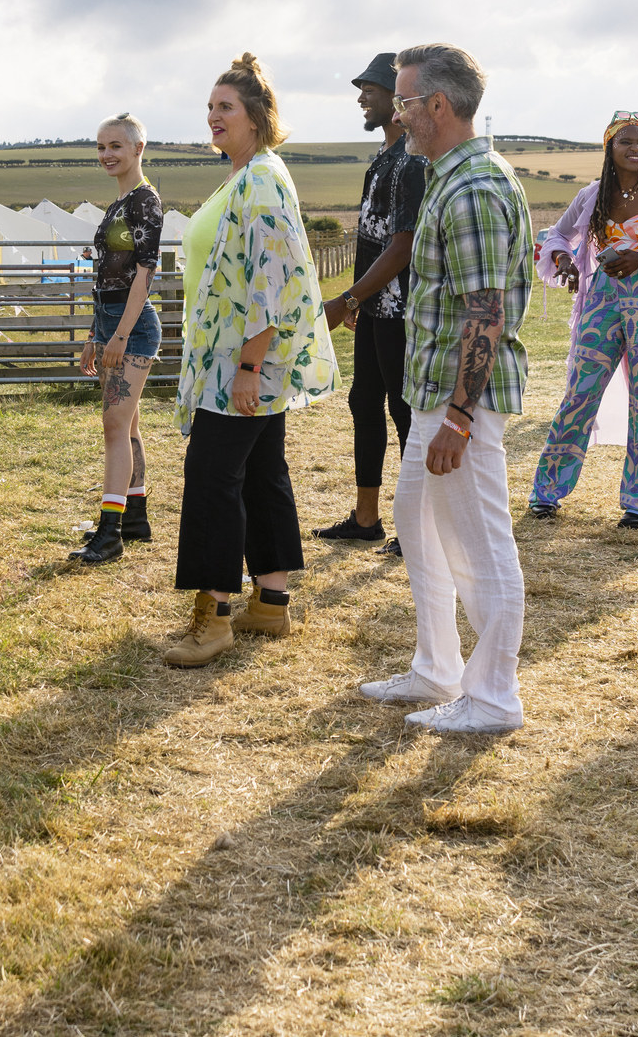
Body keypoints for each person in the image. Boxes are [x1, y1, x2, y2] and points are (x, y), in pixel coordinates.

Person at [357, 43, 533, 733]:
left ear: (437, 105)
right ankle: (438, 668)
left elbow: (484, 310)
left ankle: (492, 698)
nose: (397, 113)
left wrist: (459, 417)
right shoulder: (449, 177)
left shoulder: (474, 189)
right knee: (416, 520)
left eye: (404, 101)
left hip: (463, 400)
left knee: (481, 545)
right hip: (434, 391)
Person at [164, 53, 337, 667]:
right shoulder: (248, 174)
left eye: (226, 107)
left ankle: (211, 619)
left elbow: (272, 280)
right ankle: (271, 602)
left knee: (212, 478)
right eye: (210, 107)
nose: (214, 117)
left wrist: (247, 367)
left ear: (258, 117)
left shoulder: (260, 179)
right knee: (263, 472)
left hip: (238, 366)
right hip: (235, 360)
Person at [529, 114, 638, 528]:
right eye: (625, 142)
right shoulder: (591, 195)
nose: (635, 149)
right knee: (578, 396)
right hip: (600, 303)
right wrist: (564, 259)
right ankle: (546, 493)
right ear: (609, 148)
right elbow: (555, 235)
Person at [316, 53, 425, 555]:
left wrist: (348, 297)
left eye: (371, 89)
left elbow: (402, 246)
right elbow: (371, 241)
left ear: (397, 100)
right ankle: (366, 518)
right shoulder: (383, 158)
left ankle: (416, 525)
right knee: (364, 402)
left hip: (399, 309)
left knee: (404, 412)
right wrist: (359, 296)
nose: (362, 97)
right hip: (373, 306)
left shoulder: (411, 159)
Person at [70, 114, 164, 565]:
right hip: (109, 321)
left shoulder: (145, 202)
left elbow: (144, 274)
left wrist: (120, 336)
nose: (107, 154)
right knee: (126, 426)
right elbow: (104, 274)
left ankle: (110, 534)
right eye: (101, 147)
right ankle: (136, 517)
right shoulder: (118, 203)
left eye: (116, 146)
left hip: (134, 324)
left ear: (137, 148)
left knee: (113, 426)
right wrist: (95, 333)